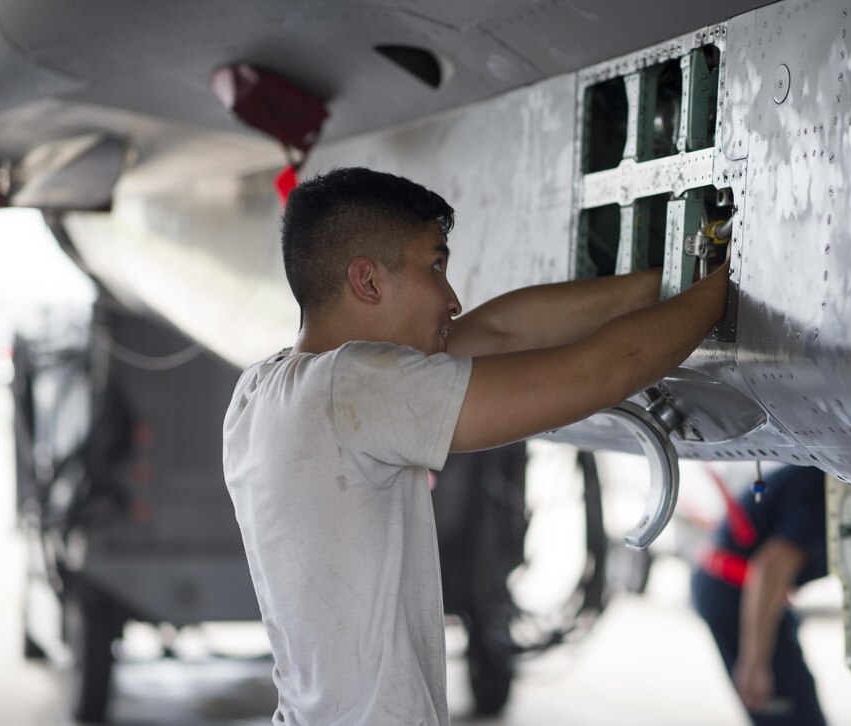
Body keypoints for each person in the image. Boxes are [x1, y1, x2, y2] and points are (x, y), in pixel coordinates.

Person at [221, 166, 729, 725]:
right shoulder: (355, 384)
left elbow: (502, 333)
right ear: (367, 281)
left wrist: (671, 279)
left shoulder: (262, 389)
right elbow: (605, 371)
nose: (452, 297)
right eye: (435, 266)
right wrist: (724, 287)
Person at [691, 465, 829, 726]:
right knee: (788, 711)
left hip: (733, 586)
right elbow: (770, 568)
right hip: (734, 590)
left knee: (791, 701)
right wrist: (755, 661)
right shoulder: (820, 485)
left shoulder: (817, 474)